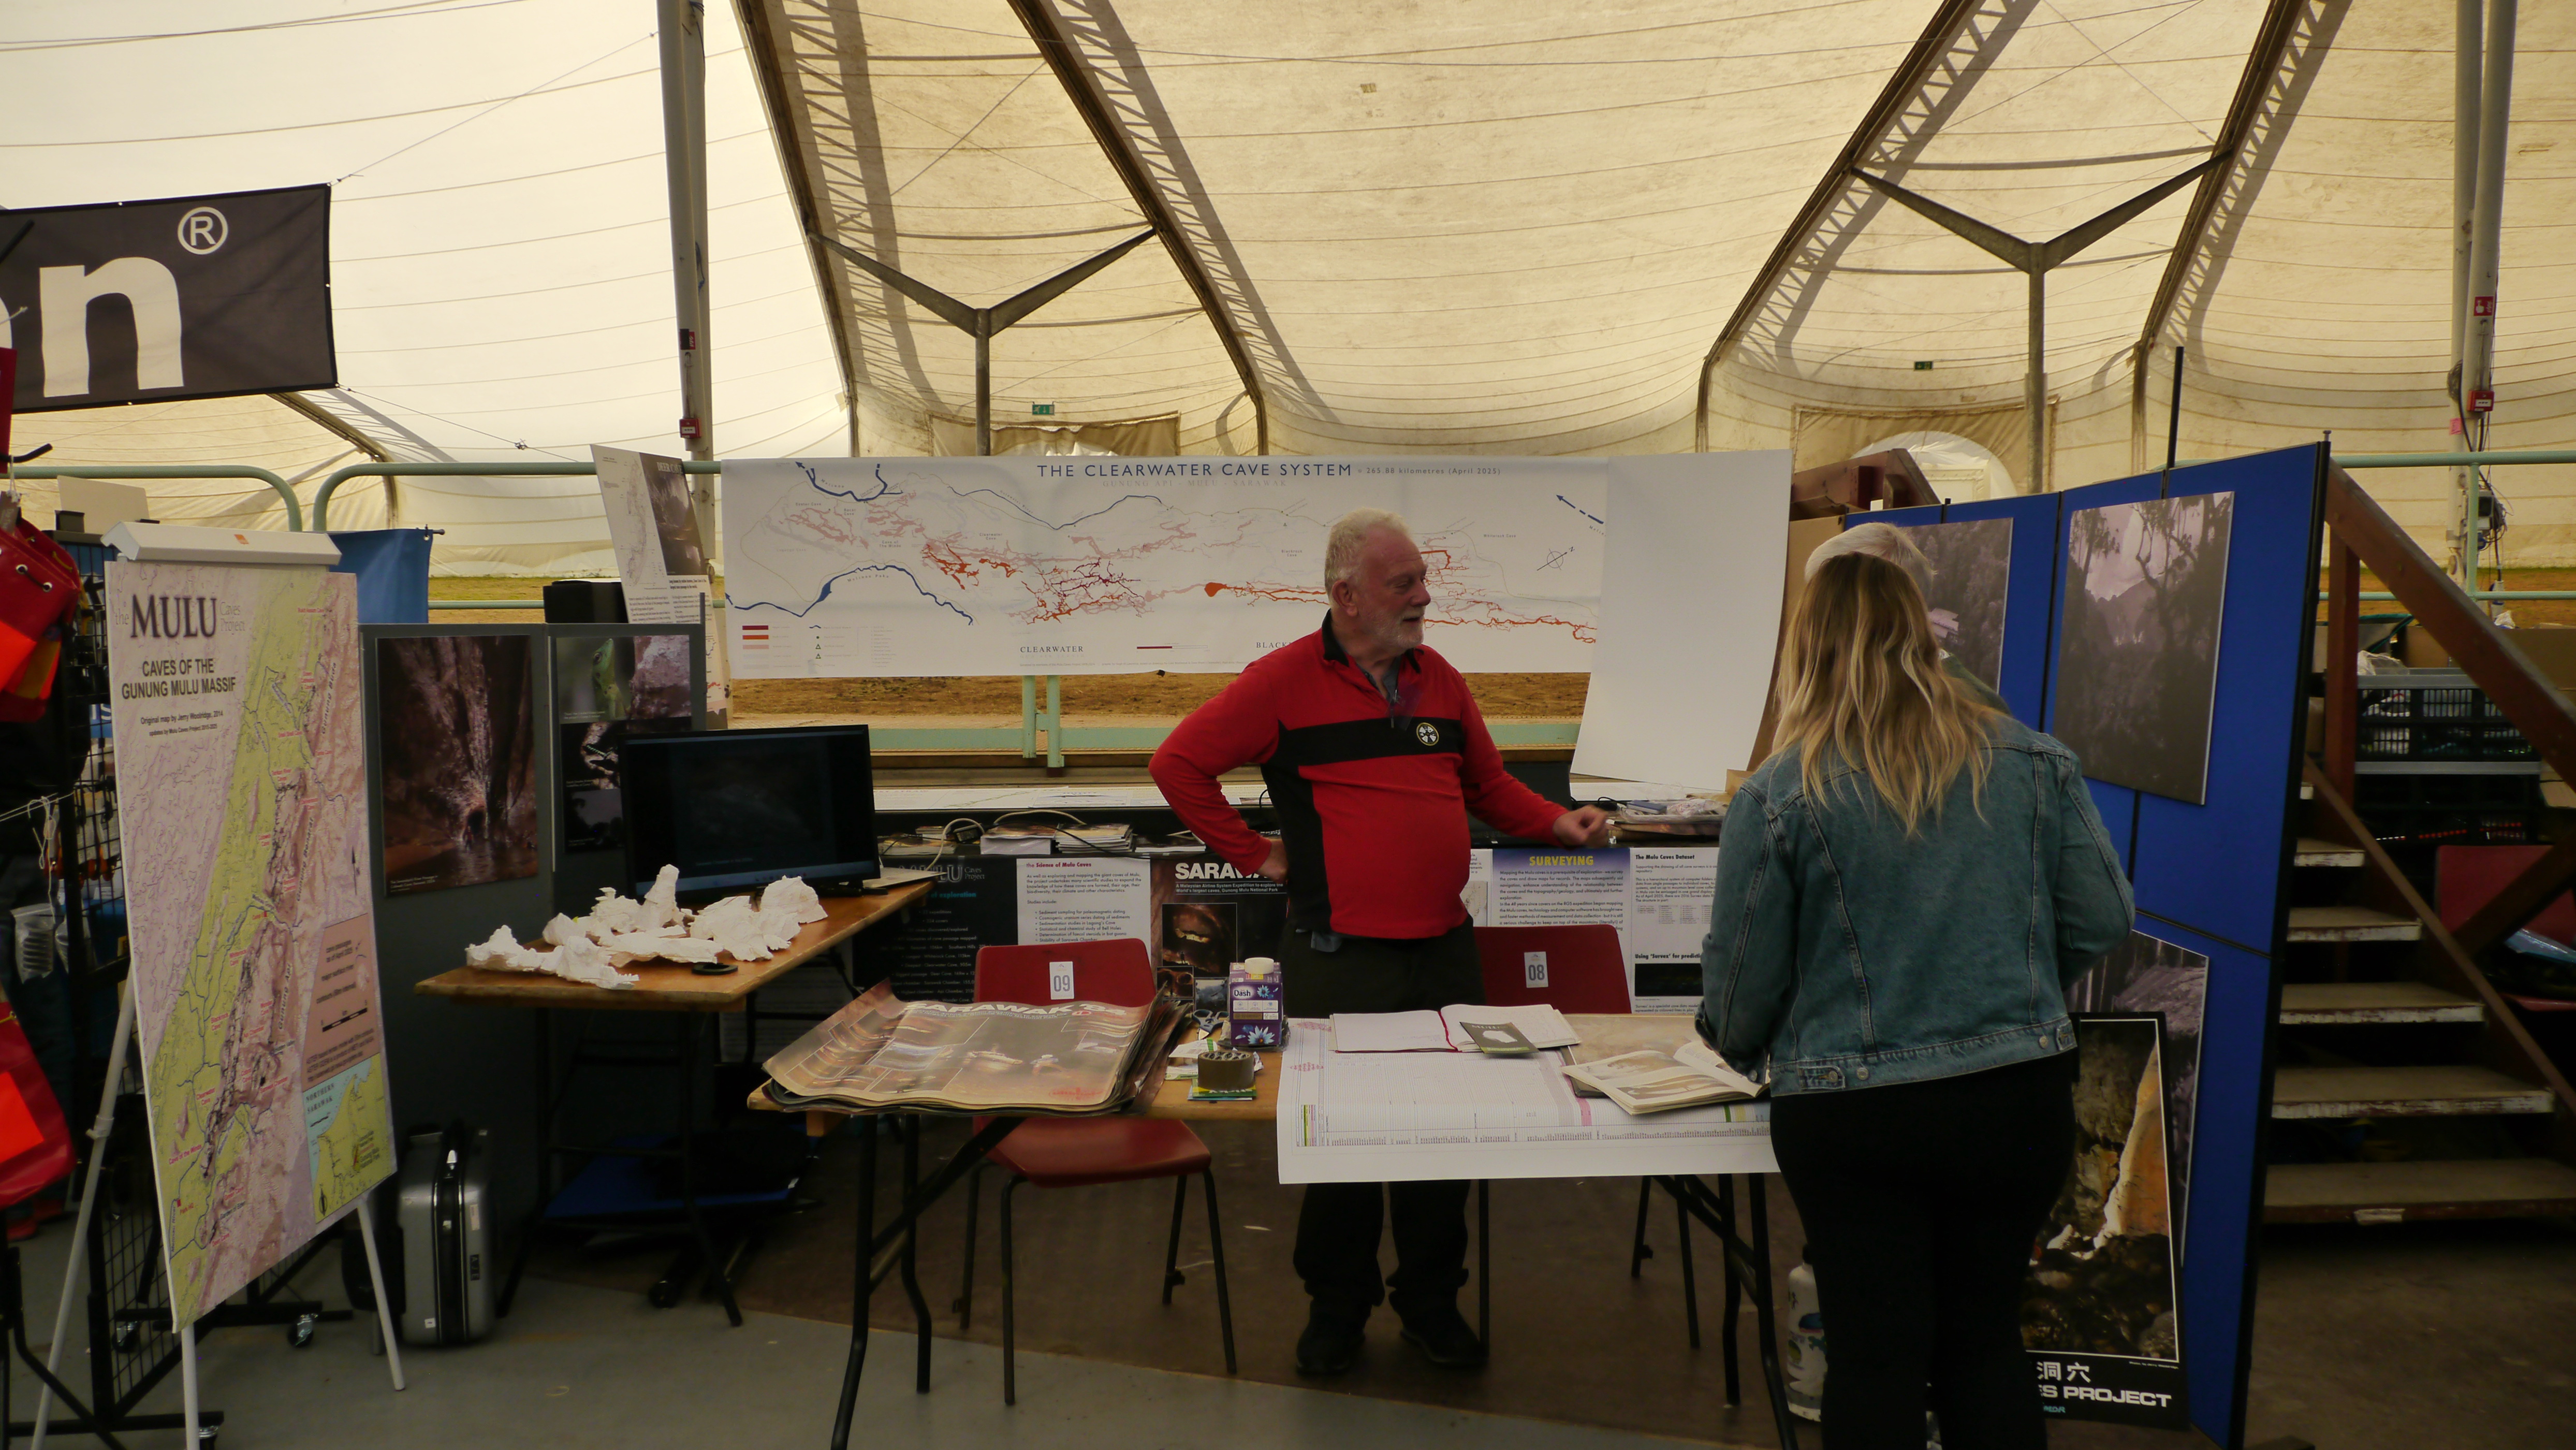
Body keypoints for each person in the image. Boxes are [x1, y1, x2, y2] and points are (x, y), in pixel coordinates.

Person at [1149, 506, 1609, 1376]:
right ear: (1348, 596)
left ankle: (1432, 1303)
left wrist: (1556, 822)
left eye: (1424, 580)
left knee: (1445, 1136)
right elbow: (1177, 764)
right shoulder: (1281, 683)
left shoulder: (1441, 680)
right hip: (1339, 958)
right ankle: (1337, 1309)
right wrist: (1257, 855)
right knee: (1342, 1142)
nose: (1424, 597)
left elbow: (1489, 785)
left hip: (1444, 953)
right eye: (1405, 583)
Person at [1700, 549, 2132, 1450]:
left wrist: (1736, 1045)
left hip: (1856, 1119)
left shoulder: (1781, 794)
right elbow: (2102, 917)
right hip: (2015, 1100)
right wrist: (2013, 984)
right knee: (1986, 1344)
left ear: (1806, 650)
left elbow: (1743, 984)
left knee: (1876, 1359)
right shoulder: (2033, 761)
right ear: (1922, 636)